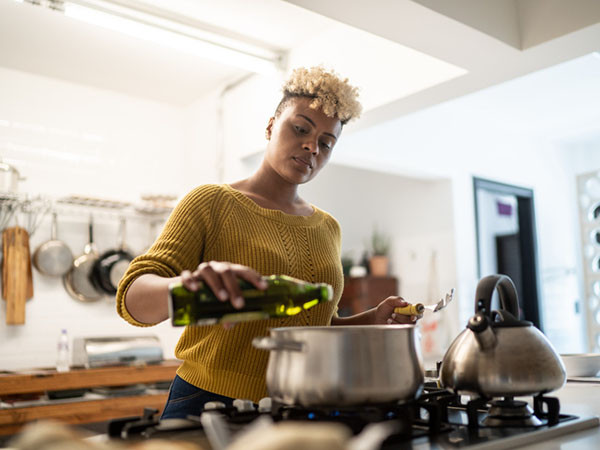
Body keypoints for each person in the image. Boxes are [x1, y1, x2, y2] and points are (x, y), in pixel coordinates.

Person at [116, 66, 419, 419]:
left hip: (303, 402)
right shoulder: (211, 202)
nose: (311, 146)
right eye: (301, 128)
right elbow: (132, 298)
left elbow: (315, 324)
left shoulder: (328, 227)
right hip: (210, 404)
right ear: (271, 126)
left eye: (326, 143)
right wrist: (186, 286)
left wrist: (371, 321)